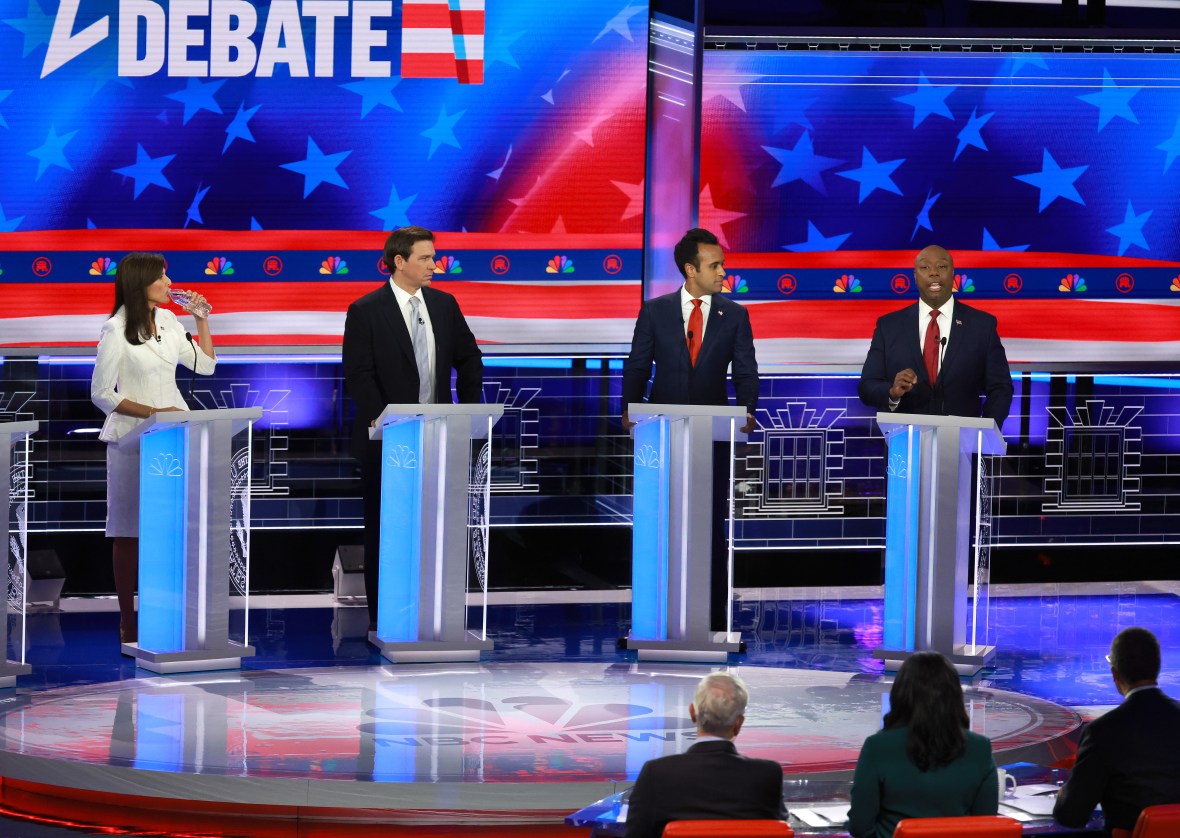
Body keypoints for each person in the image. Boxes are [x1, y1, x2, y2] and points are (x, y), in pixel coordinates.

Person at [342, 226, 483, 632]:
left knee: (436, 526)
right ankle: (382, 621)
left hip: (439, 438)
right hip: (386, 440)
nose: (434, 265)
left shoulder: (444, 304)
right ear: (398, 261)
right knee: (386, 529)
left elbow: (469, 358)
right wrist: (383, 420)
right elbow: (358, 374)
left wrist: (467, 412)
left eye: (434, 257)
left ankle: (436, 616)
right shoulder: (366, 309)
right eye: (425, 258)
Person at [621, 228, 759, 628]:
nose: (722, 273)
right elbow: (637, 365)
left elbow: (746, 370)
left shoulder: (734, 314)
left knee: (711, 522)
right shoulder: (655, 310)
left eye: (722, 265)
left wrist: (748, 410)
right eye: (715, 266)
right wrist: (629, 411)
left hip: (712, 436)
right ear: (690, 269)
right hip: (662, 436)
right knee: (659, 519)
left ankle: (713, 617)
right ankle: (654, 615)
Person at [90, 252, 216, 644]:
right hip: (131, 438)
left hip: (175, 436)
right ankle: (128, 618)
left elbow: (206, 366)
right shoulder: (115, 329)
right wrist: (152, 413)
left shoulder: (169, 321)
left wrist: (201, 319)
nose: (168, 281)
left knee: (174, 528)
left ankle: (170, 612)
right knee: (128, 530)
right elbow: (100, 394)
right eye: (161, 276)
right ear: (140, 283)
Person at [847, 651, 999, 838]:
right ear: (954, 695)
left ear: (900, 694)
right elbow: (986, 825)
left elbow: (860, 827)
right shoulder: (980, 747)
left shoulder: (877, 746)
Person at [858, 245, 1012, 425]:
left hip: (960, 444)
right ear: (915, 276)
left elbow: (1000, 388)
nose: (934, 273)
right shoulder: (889, 326)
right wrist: (892, 392)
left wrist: (983, 433)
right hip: (904, 444)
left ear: (953, 273)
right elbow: (867, 387)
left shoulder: (982, 325)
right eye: (925, 267)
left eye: (942, 266)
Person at [624, 671, 786, 838]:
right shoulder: (768, 775)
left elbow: (636, 833)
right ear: (739, 723)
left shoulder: (657, 773)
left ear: (693, 713)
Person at [1053, 627, 1180, 833]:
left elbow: (1071, 816)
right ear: (1157, 667)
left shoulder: (1102, 732)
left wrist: (1063, 793)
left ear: (1115, 674)